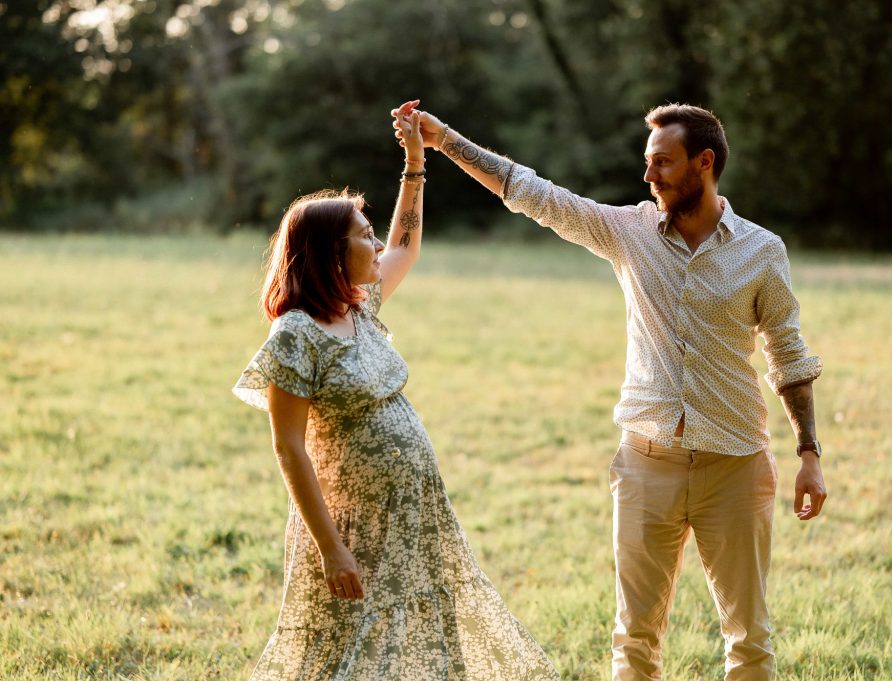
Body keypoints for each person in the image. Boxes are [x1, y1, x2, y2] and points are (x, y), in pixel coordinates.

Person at [392, 100, 827, 681]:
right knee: (634, 636)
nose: (648, 175)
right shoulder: (629, 233)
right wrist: (445, 141)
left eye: (663, 163)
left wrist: (809, 454)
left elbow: (789, 355)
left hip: (736, 465)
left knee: (749, 636)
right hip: (647, 463)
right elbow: (532, 193)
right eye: (647, 162)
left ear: (704, 162)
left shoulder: (762, 251)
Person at [233, 103, 560, 680]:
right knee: (346, 650)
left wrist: (415, 162)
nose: (378, 244)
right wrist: (332, 548)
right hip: (352, 524)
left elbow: (407, 244)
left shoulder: (360, 305)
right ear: (332, 253)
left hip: (415, 514)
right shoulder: (296, 334)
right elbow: (289, 448)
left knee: (422, 638)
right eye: (364, 237)